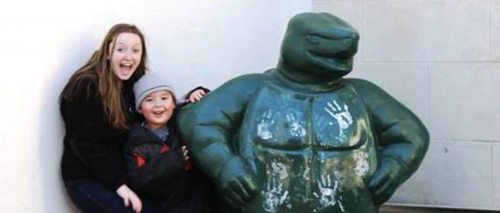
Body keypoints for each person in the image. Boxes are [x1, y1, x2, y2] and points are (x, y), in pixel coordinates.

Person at [59, 23, 206, 213]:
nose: (129, 56)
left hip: (122, 174)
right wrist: (121, 187)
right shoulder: (86, 86)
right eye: (121, 49)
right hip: (87, 178)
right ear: (107, 52)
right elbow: (86, 146)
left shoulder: (132, 83)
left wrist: (190, 98)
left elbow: (156, 104)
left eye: (135, 50)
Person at [124, 72, 217, 213]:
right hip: (170, 205)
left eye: (164, 98)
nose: (158, 105)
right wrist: (172, 160)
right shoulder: (136, 143)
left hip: (201, 196)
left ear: (173, 103)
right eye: (149, 100)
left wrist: (199, 92)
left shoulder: (181, 119)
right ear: (140, 109)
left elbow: (207, 110)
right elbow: (138, 181)